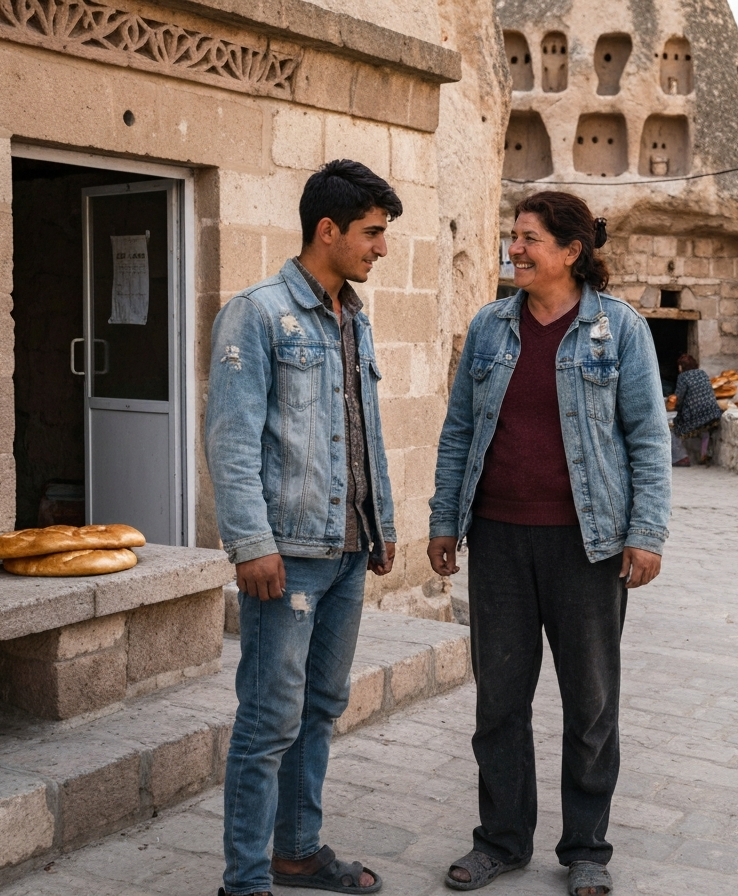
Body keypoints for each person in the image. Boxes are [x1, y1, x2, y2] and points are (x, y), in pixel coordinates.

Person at [427, 191, 671, 896]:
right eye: (513, 236)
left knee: (590, 702)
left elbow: (648, 439)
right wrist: (446, 519)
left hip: (587, 548)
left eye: (530, 238)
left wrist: (646, 533)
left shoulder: (617, 329)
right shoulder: (490, 328)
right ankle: (501, 840)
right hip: (499, 539)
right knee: (499, 701)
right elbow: (458, 432)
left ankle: (586, 848)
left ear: (572, 251)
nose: (517, 249)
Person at [205, 160, 402, 896]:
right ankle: (246, 881)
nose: (381, 249)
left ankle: (296, 851)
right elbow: (229, 439)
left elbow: (365, 432)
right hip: (286, 556)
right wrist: (250, 544)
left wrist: (379, 523)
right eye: (372, 234)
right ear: (328, 230)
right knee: (267, 721)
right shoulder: (257, 314)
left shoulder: (355, 317)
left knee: (320, 706)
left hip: (348, 552)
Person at [670, 353, 722, 466]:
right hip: (713, 412)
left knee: (674, 427)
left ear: (681, 366)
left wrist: (676, 408)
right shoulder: (702, 373)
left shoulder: (683, 377)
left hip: (695, 414)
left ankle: (681, 458)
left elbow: (679, 397)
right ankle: (703, 454)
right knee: (705, 430)